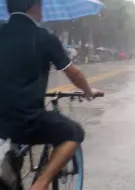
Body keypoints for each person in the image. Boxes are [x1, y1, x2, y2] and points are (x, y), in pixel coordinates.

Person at [0, 1, 102, 190]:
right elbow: (74, 73)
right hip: (26, 120)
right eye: (40, 4)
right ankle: (40, 183)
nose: (42, 10)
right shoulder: (44, 37)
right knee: (74, 132)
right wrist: (88, 91)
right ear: (31, 7)